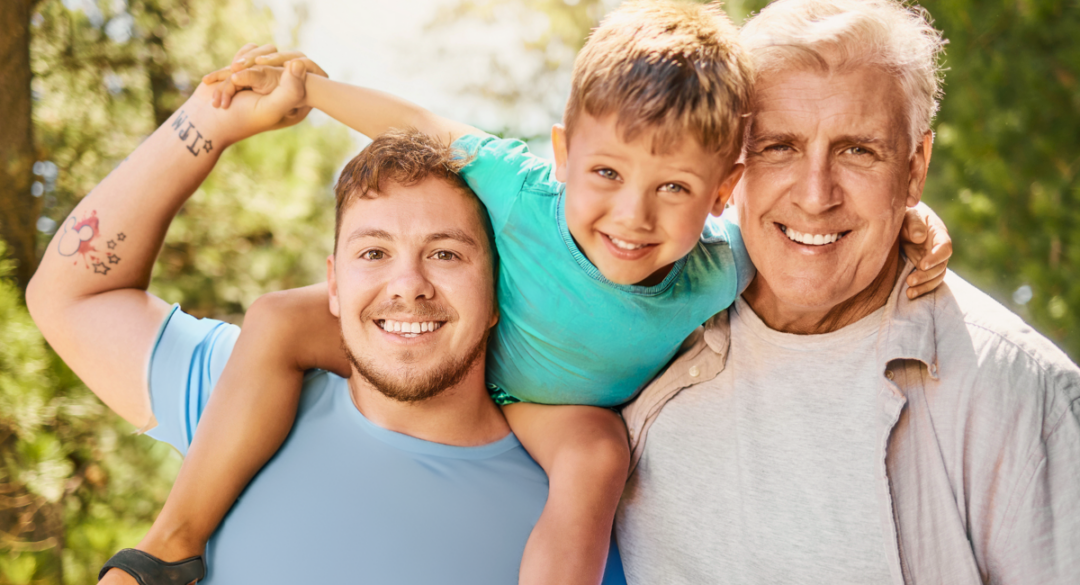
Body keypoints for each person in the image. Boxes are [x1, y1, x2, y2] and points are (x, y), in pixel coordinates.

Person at [126, 2, 953, 584]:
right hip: (449, 346)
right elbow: (417, 124)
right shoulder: (522, 188)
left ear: (724, 190)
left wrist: (909, 218)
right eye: (604, 174)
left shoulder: (723, 262)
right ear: (562, 154)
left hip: (537, 404)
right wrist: (312, 91)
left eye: (674, 188)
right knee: (275, 317)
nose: (630, 215)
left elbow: (811, 229)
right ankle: (173, 538)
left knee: (598, 457)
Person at [26, 71, 626, 583]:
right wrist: (210, 119)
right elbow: (70, 295)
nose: (408, 284)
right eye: (373, 254)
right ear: (333, 284)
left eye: (446, 254)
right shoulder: (245, 401)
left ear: (497, 290)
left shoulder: (579, 509)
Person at [615, 0, 1080, 583]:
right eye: (778, 146)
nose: (815, 195)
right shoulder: (641, 309)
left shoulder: (1016, 392)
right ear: (731, 165)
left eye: (857, 151)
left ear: (914, 169)